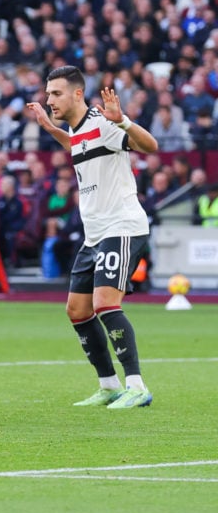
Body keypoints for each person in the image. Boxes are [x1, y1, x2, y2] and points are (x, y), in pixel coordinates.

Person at [26, 68, 158, 409]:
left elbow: (151, 147)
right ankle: (110, 385)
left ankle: (137, 385)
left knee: (104, 304)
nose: (49, 100)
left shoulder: (104, 122)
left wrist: (124, 121)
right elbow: (77, 144)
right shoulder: (79, 129)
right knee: (77, 310)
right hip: (94, 234)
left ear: (77, 94)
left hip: (122, 226)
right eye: (48, 93)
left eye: (56, 94)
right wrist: (49, 128)